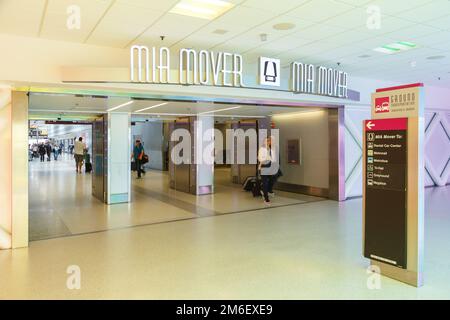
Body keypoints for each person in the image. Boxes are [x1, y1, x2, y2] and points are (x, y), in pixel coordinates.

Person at [258, 137, 277, 205]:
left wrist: (268, 158)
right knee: (265, 183)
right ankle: (266, 199)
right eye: (266, 141)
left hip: (271, 167)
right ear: (264, 142)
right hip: (264, 167)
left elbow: (274, 159)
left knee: (273, 179)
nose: (268, 142)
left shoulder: (272, 150)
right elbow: (260, 159)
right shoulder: (261, 149)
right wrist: (268, 158)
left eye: (269, 141)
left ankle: (264, 189)